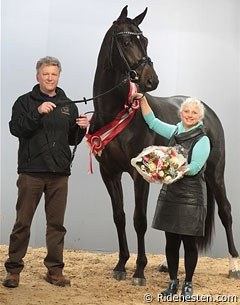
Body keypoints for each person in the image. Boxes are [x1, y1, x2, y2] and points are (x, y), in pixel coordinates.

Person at [3, 56, 89, 288]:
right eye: (45, 74)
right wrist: (37, 112)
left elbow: (71, 140)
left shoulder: (68, 105)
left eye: (54, 74)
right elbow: (16, 128)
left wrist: (81, 129)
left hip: (59, 174)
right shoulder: (24, 102)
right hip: (31, 172)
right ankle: (13, 270)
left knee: (57, 225)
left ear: (59, 76)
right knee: (23, 222)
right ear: (37, 76)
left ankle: (55, 270)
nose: (50, 78)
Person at [131, 93, 210, 299]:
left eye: (194, 112)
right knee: (171, 241)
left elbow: (194, 168)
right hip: (171, 193)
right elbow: (152, 122)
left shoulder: (203, 140)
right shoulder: (175, 130)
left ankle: (188, 283)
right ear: (181, 113)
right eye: (186, 111)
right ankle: (173, 281)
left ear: (200, 117)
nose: (189, 115)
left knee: (189, 244)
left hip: (191, 198)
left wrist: (171, 168)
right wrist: (143, 101)